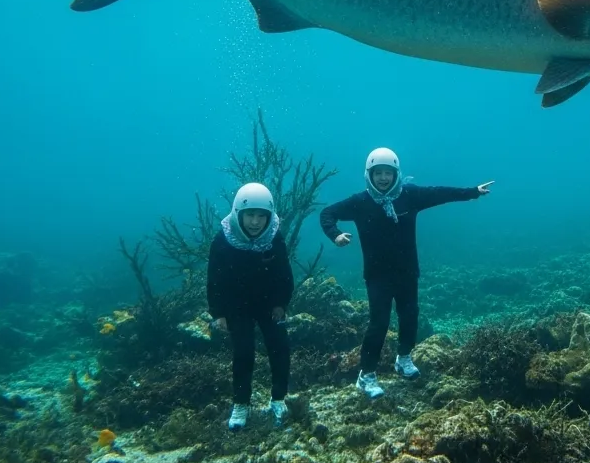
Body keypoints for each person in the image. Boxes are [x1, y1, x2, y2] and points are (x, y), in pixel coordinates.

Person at [320, 147, 492, 398]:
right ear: (369, 174)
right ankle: (366, 376)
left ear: (396, 173)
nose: (383, 178)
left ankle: (404, 359)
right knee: (379, 323)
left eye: (387, 173)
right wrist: (335, 234)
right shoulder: (360, 202)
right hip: (377, 275)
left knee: (410, 316)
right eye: (377, 173)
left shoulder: (409, 195)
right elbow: (328, 213)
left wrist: (472, 192)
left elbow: (440, 193)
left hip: (407, 271)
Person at [207, 182, 294, 431]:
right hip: (237, 307)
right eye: (249, 215)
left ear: (269, 216)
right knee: (243, 354)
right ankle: (241, 404)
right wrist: (219, 313)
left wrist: (281, 303)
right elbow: (214, 279)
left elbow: (284, 274)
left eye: (261, 216)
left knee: (280, 349)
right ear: (238, 214)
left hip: (269, 305)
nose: (255, 222)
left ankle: (278, 398)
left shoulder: (274, 236)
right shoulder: (223, 240)